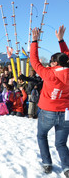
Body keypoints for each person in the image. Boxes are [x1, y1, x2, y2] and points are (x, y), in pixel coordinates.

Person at [31, 27, 69, 177]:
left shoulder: (49, 74)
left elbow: (34, 61)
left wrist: (34, 40)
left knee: (41, 136)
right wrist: (61, 40)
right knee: (61, 143)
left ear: (53, 63)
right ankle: (66, 167)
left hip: (48, 111)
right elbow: (66, 57)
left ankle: (47, 163)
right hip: (66, 112)